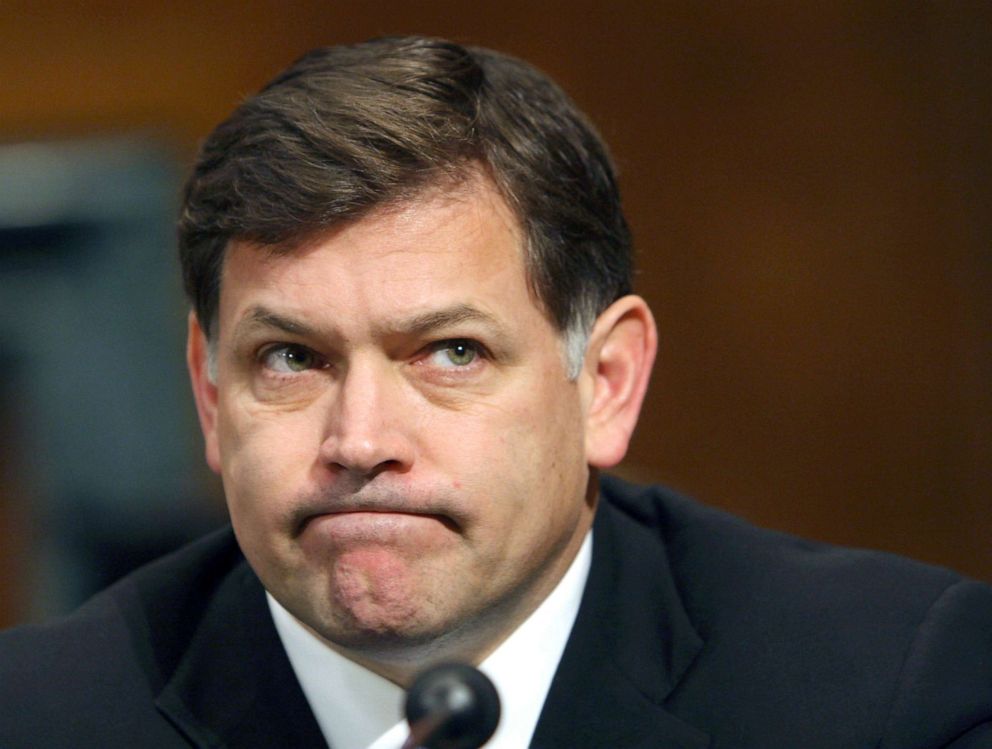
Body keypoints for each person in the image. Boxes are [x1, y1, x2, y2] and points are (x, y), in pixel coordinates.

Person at [1, 35, 990, 749]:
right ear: (210, 397)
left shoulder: (890, 695)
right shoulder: (40, 716)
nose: (359, 439)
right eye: (292, 358)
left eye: (450, 352)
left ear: (603, 383)